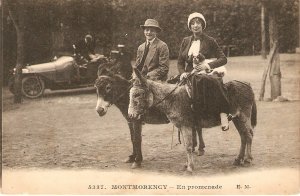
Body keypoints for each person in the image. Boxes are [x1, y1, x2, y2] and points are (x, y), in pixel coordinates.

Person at [177, 12, 230, 131]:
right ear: (190, 26)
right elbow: (180, 62)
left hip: (206, 72)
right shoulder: (185, 41)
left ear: (203, 25)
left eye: (198, 23)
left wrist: (207, 65)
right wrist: (182, 73)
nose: (195, 25)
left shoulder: (210, 40)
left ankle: (223, 114)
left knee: (213, 81)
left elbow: (223, 59)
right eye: (193, 23)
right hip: (189, 74)